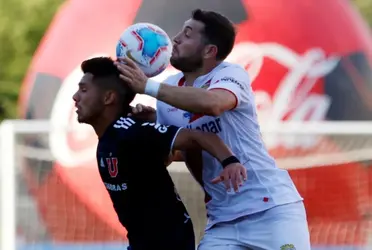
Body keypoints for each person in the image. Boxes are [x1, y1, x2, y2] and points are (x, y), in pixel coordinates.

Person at [115, 9, 311, 250]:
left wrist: (147, 86)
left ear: (209, 51)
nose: (175, 39)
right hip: (222, 222)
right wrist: (149, 132)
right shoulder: (168, 91)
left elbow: (214, 104)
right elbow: (179, 151)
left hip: (271, 211)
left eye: (187, 35)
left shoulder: (230, 73)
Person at [72, 56, 247, 250]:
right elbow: (166, 155)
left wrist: (230, 161)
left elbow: (198, 137)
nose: (75, 96)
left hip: (169, 244)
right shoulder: (113, 137)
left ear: (108, 98)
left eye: (84, 89)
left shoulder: (132, 132)